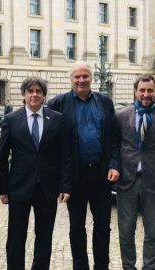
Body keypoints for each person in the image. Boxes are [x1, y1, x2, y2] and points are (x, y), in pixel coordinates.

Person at [47, 61, 120, 270]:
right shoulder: (57, 104)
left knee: (103, 225)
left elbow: (114, 138)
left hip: (101, 173)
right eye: (77, 77)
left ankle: (102, 266)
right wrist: (61, 180)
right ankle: (80, 266)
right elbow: (52, 145)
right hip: (75, 175)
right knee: (77, 226)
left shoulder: (104, 102)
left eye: (85, 76)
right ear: (71, 80)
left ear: (91, 78)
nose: (82, 80)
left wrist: (114, 164)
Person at [0, 76, 71, 270]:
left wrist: (65, 186)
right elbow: (2, 157)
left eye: (38, 91)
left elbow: (64, 155)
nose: (34, 95)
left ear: (44, 95)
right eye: (30, 91)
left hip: (47, 187)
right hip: (19, 187)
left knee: (44, 236)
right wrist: (2, 189)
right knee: (16, 236)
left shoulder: (56, 118)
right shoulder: (12, 119)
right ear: (23, 95)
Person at [115, 74, 155, 270]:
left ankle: (149, 267)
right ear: (135, 91)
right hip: (127, 181)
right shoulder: (121, 116)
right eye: (142, 90)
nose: (146, 94)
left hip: (154, 181)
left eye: (150, 90)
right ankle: (128, 267)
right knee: (126, 231)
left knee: (152, 232)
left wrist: (154, 163)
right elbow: (116, 145)